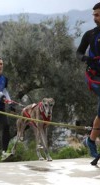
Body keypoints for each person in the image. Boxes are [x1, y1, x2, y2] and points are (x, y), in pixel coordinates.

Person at [76, 2, 100, 162]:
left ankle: (90, 141)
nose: (94, 18)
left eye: (97, 15)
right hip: (94, 77)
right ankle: (91, 141)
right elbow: (78, 53)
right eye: (94, 15)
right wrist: (86, 58)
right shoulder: (90, 35)